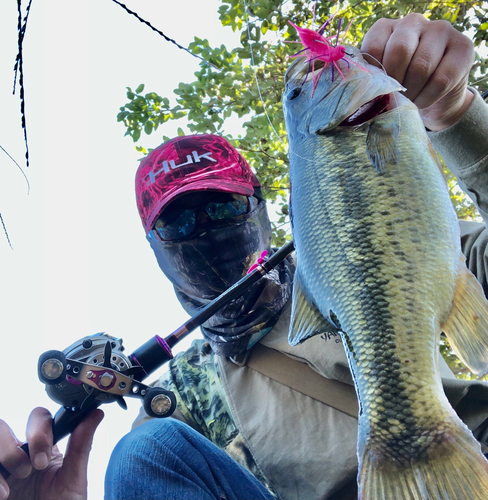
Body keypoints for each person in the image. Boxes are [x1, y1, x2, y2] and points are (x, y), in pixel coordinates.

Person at [0, 13, 487, 500]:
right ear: (156, 248)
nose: (206, 229)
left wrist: (457, 115)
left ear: (261, 208)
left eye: (223, 206)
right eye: (178, 223)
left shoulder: (374, 242)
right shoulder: (177, 401)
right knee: (145, 451)